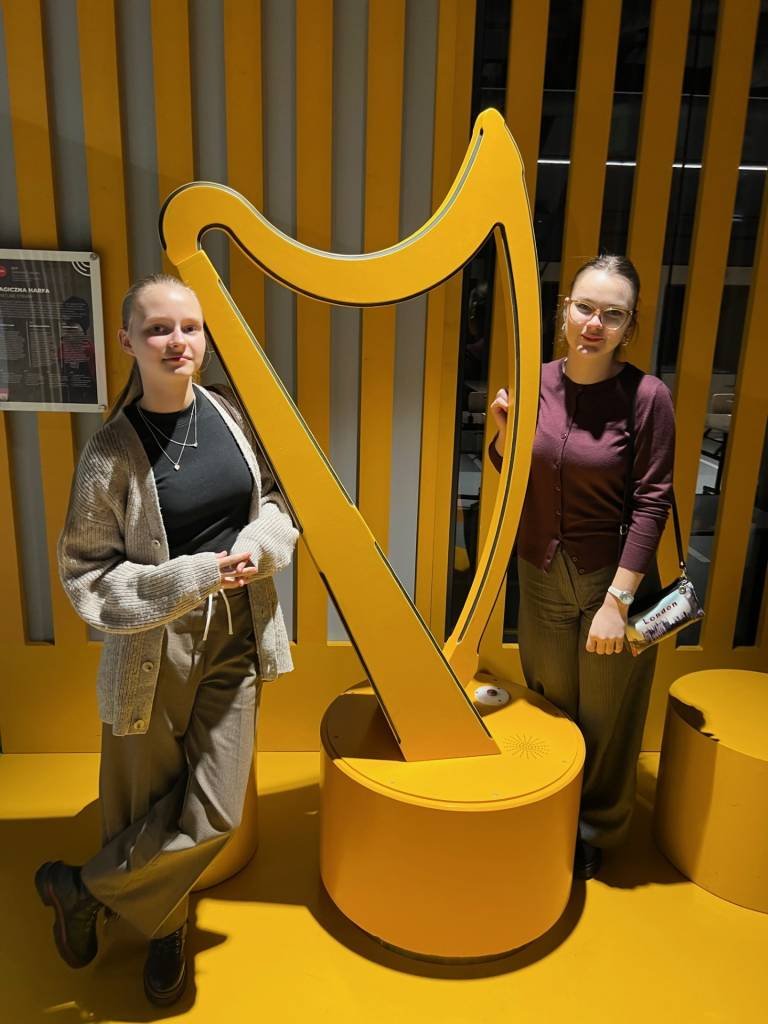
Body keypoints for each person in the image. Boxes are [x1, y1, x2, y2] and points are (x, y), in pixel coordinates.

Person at [35, 273, 298, 1004]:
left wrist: (259, 544)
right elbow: (86, 577)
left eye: (189, 326)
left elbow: (278, 502)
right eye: (158, 328)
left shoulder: (232, 414)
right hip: (154, 647)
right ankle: (166, 928)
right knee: (144, 797)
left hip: (237, 633)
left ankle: (81, 889)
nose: (177, 341)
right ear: (128, 341)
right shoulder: (110, 453)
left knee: (218, 807)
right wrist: (192, 576)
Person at [489, 254, 674, 880]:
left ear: (630, 325)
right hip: (540, 573)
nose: (595, 324)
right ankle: (549, 813)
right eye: (585, 308)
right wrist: (503, 433)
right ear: (565, 310)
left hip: (610, 579)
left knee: (606, 717)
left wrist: (617, 603)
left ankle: (594, 830)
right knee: (550, 706)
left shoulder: (647, 398)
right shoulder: (534, 380)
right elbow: (515, 470)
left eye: (612, 314)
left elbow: (652, 502)